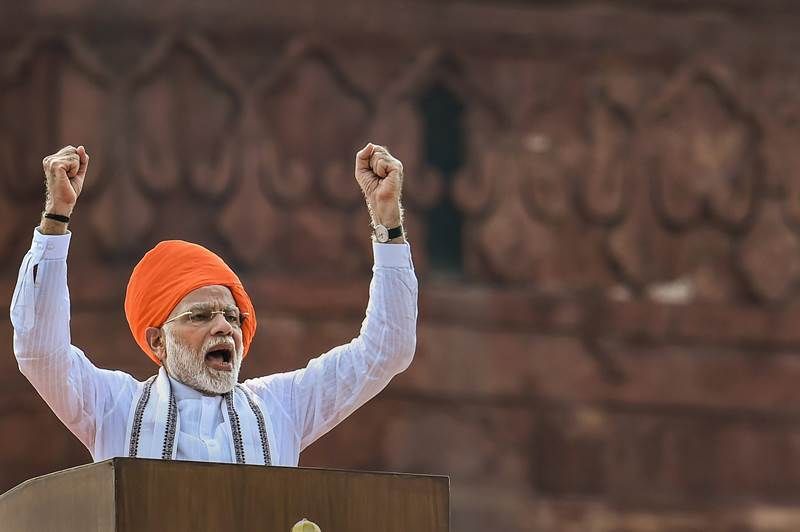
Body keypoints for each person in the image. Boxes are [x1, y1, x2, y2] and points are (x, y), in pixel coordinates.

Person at [10, 143, 417, 465]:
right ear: (157, 341)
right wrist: (56, 218)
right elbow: (40, 353)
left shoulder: (280, 407)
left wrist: (388, 223)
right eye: (201, 316)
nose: (225, 327)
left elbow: (386, 350)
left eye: (232, 316)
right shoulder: (113, 406)